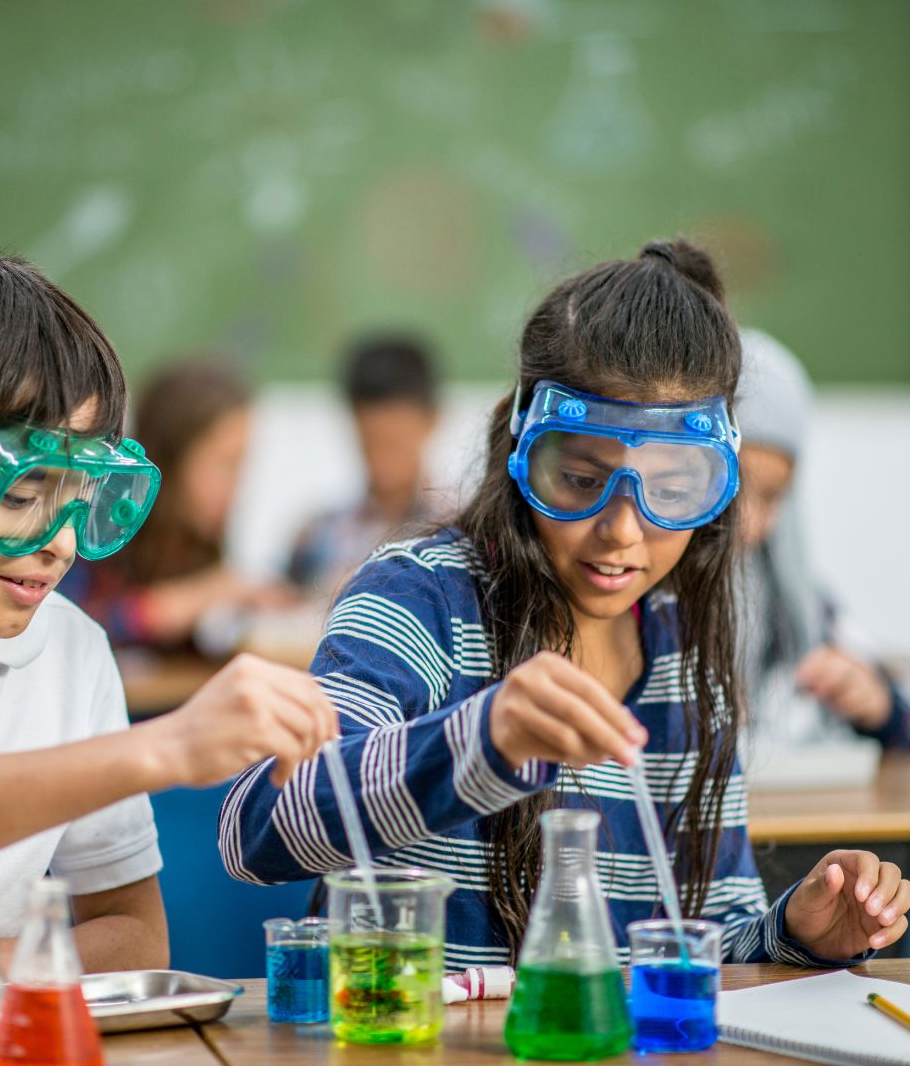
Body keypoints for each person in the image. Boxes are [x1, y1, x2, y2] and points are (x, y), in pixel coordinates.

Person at [221, 239, 910, 970]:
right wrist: (483, 739)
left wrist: (793, 935)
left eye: (671, 490)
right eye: (580, 478)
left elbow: (695, 937)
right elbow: (253, 830)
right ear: (522, 453)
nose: (620, 530)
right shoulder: (420, 598)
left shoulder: (684, 662)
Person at [0, 241, 335, 991]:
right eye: (21, 494)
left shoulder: (72, 650)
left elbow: (136, 935)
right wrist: (163, 748)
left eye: (77, 499)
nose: (61, 544)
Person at [735, 329, 910, 750]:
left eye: (773, 497)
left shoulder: (802, 599)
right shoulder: (646, 602)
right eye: (733, 488)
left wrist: (876, 703)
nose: (749, 524)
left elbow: (900, 724)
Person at [59, 359, 292, 648]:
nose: (236, 487)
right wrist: (199, 596)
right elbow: (68, 622)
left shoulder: (195, 543)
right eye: (225, 465)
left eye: (242, 467)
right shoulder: (95, 519)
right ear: (170, 460)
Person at [287, 333, 443, 594]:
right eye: (369, 444)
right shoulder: (316, 536)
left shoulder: (463, 528)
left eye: (396, 443)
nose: (383, 464)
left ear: (432, 420)